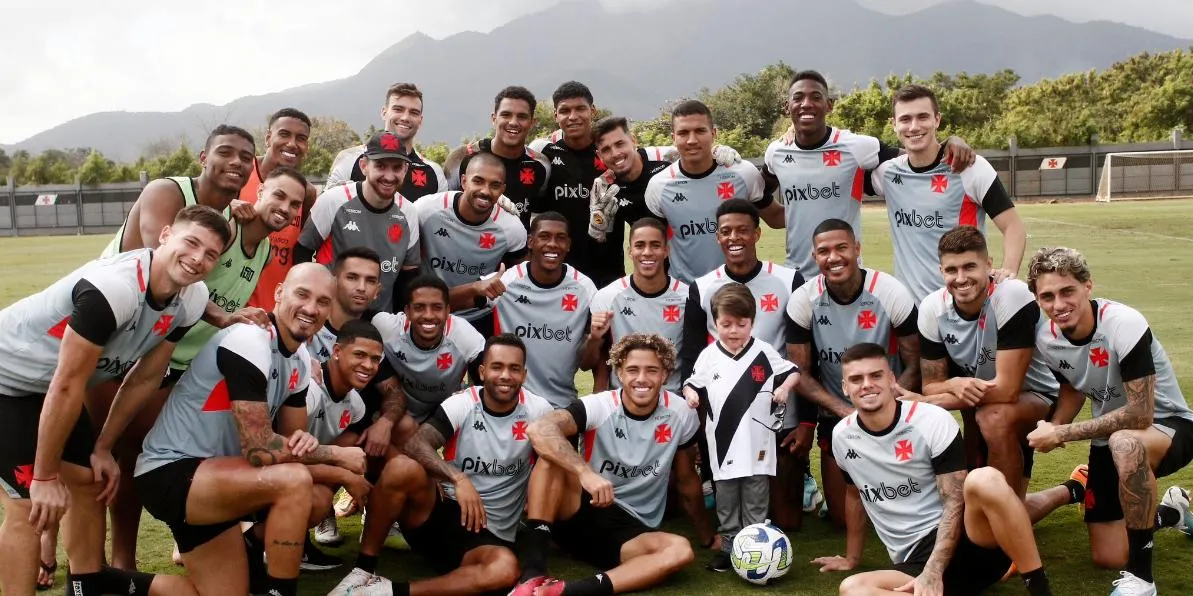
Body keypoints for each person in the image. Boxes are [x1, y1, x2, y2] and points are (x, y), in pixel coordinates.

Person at [0, 205, 228, 596]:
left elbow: (145, 377)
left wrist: (104, 447)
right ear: (165, 235)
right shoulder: (115, 289)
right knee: (29, 508)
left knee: (89, 479)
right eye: (191, 243)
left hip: (48, 386)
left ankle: (87, 582)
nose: (197, 259)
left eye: (210, 255)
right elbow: (68, 386)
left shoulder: (191, 299)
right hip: (8, 379)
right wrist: (44, 476)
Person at [129, 263, 366, 596]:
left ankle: (101, 584)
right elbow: (260, 449)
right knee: (295, 484)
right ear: (279, 292)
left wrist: (316, 453)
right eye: (303, 294)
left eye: (323, 301)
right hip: (171, 472)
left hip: (218, 480)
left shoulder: (297, 361)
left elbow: (290, 453)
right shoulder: (250, 338)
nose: (312, 308)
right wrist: (339, 458)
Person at [811, 343, 1053, 596]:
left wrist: (934, 570)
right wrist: (851, 557)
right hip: (913, 559)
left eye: (876, 375)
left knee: (985, 478)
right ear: (844, 387)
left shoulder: (931, 420)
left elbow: (955, 501)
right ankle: (1072, 488)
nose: (867, 384)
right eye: (856, 379)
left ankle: (1038, 586)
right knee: (852, 590)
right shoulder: (842, 436)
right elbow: (854, 493)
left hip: (969, 543)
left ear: (891, 379)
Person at [329, 334, 553, 596]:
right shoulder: (463, 403)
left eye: (514, 368)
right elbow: (417, 443)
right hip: (442, 514)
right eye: (497, 366)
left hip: (490, 538)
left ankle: (388, 591)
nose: (505, 375)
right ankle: (362, 571)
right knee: (403, 468)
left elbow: (556, 461)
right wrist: (457, 478)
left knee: (504, 569)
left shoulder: (538, 410)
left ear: (524, 375)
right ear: (482, 371)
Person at [1026, 247, 1193, 595]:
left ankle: (1142, 580)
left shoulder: (1123, 322)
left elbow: (1139, 413)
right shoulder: (1047, 339)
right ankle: (1174, 511)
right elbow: (1072, 384)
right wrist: (1053, 424)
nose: (1058, 304)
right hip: (1110, 438)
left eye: (1067, 291)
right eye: (1047, 296)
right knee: (1109, 555)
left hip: (1167, 426)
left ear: (1088, 286)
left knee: (1126, 441)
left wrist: (1064, 432)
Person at [511, 333, 713, 595]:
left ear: (664, 374)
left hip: (630, 531)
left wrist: (707, 536)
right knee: (552, 458)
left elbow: (687, 480)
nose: (641, 378)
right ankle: (533, 573)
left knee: (680, 550)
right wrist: (585, 473)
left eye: (652, 370)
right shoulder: (601, 405)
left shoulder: (681, 413)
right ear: (619, 372)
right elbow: (539, 429)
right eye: (632, 370)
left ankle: (567, 592)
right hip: (582, 509)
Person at [763, 70, 975, 281]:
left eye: (816, 97)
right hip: (796, 277)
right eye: (798, 98)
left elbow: (917, 156)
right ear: (787, 106)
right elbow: (759, 193)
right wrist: (793, 215)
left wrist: (949, 143)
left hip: (847, 277)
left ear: (829, 105)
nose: (806, 103)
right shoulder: (777, 151)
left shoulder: (857, 146)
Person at [678, 198, 812, 529]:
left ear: (757, 233)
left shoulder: (788, 280)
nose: (734, 237)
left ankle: (803, 485)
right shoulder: (703, 287)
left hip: (777, 416)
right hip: (724, 414)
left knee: (787, 520)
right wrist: (698, 425)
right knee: (730, 498)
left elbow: (804, 356)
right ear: (717, 237)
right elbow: (693, 359)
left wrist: (807, 422)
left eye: (742, 230)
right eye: (726, 231)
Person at [784, 218, 920, 527]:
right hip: (839, 414)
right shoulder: (804, 300)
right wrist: (844, 411)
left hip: (891, 408)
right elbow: (799, 372)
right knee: (843, 520)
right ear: (814, 257)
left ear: (857, 249)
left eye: (841, 248)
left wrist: (887, 405)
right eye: (824, 251)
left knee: (909, 505)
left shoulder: (889, 292)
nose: (833, 258)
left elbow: (915, 363)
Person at [916, 226, 1059, 495]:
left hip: (1039, 396)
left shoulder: (1011, 295)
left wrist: (924, 403)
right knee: (978, 418)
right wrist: (954, 382)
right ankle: (1070, 489)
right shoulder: (932, 308)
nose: (960, 278)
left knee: (991, 416)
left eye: (970, 267)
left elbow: (1007, 390)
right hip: (983, 401)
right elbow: (931, 383)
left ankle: (1005, 515)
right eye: (951, 270)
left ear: (988, 265)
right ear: (941, 272)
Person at [682, 283, 800, 572]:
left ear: (753, 322)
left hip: (758, 442)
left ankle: (756, 548)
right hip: (723, 443)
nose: (733, 331)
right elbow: (690, 382)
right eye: (726, 324)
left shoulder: (763, 351)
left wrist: (783, 388)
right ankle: (728, 549)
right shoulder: (709, 356)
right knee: (726, 499)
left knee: (756, 496)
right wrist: (691, 394)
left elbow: (793, 372)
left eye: (741, 324)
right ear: (715, 323)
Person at [872, 84, 1026, 301]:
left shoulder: (970, 168)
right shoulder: (888, 173)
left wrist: (1008, 273)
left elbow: (1013, 226)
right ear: (893, 124)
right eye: (905, 119)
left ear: (937, 119)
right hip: (911, 311)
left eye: (923, 117)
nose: (914, 126)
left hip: (964, 305)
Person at [645, 100, 784, 284]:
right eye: (683, 133)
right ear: (673, 138)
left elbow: (775, 217)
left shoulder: (743, 173)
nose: (692, 140)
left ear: (714, 133)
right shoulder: (658, 185)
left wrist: (824, 204)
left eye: (700, 131)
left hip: (739, 289)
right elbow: (654, 246)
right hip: (686, 293)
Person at [296, 131, 421, 312]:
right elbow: (302, 251)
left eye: (397, 168)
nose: (389, 176)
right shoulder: (334, 200)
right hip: (330, 317)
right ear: (364, 166)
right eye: (380, 166)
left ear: (405, 170)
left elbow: (408, 275)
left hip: (379, 322)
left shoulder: (408, 211)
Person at [490, 212, 601, 408]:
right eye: (544, 236)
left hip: (560, 408)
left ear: (568, 245)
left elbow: (588, 364)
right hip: (511, 408)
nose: (552, 244)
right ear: (530, 242)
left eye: (560, 238)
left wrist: (594, 339)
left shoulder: (584, 288)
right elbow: (459, 306)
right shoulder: (508, 281)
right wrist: (475, 289)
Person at [415, 152, 528, 336]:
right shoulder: (426, 210)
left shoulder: (511, 227)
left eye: (495, 185)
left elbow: (521, 278)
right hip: (426, 313)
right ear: (463, 180)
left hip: (478, 318)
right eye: (478, 181)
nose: (485, 190)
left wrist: (484, 297)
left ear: (503, 189)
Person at [99, 125, 255, 258]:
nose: (236, 162)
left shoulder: (227, 215)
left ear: (252, 168)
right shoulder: (164, 192)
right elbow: (162, 263)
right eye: (225, 153)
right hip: (106, 289)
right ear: (203, 159)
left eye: (246, 158)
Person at [589, 217, 687, 392]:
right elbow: (588, 363)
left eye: (655, 245)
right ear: (630, 251)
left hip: (672, 400)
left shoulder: (687, 297)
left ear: (666, 250)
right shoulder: (608, 297)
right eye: (640, 245)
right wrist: (594, 339)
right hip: (623, 399)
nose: (647, 252)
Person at [371, 275, 485, 423]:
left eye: (437, 307)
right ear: (407, 311)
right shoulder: (386, 328)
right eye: (419, 307)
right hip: (400, 411)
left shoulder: (463, 335)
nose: (428, 316)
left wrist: (469, 396)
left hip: (444, 413)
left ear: (447, 311)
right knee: (403, 427)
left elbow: (489, 373)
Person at [238, 108, 321, 311]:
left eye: (301, 138)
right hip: (231, 301)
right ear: (268, 138)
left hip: (274, 309)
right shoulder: (241, 173)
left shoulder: (307, 193)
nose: (292, 144)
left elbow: (302, 249)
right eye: (284, 134)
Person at [444, 86, 552, 227]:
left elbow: (537, 213)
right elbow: (444, 208)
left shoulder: (541, 164)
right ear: (494, 118)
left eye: (522, 116)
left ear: (532, 122)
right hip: (468, 245)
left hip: (516, 246)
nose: (513, 122)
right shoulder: (462, 158)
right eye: (506, 115)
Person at [326, 82, 448, 199]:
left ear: (420, 120)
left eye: (413, 112)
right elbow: (327, 209)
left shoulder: (434, 173)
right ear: (384, 113)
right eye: (398, 109)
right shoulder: (349, 160)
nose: (405, 117)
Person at [586, 116, 672, 244]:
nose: (615, 153)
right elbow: (600, 236)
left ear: (633, 141)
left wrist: (714, 151)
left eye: (620, 144)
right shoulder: (605, 187)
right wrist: (597, 221)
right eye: (606, 149)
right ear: (600, 156)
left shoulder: (667, 158)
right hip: (650, 257)